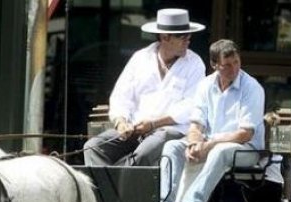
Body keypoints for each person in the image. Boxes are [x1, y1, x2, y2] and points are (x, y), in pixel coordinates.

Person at [161, 39, 265, 202]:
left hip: (247, 150)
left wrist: (211, 143)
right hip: (212, 142)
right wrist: (193, 143)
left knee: (220, 151)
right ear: (214, 65)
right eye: (227, 65)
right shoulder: (205, 85)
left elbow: (245, 134)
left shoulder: (253, 87)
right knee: (172, 147)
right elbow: (196, 124)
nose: (233, 69)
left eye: (236, 63)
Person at [83, 8, 206, 166]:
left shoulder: (195, 63)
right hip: (136, 129)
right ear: (164, 37)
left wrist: (154, 124)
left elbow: (190, 106)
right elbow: (121, 96)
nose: (188, 40)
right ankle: (106, 188)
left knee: (144, 153)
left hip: (171, 131)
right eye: (183, 36)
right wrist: (121, 123)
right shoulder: (140, 58)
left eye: (189, 36)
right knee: (93, 147)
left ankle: (114, 185)